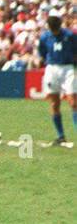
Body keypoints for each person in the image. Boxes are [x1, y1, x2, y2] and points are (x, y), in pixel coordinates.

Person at [36, 13, 76, 146]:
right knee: (54, 103)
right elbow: (42, 52)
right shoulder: (45, 37)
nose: (53, 31)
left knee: (73, 102)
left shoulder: (69, 36)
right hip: (52, 68)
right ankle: (60, 136)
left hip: (67, 68)